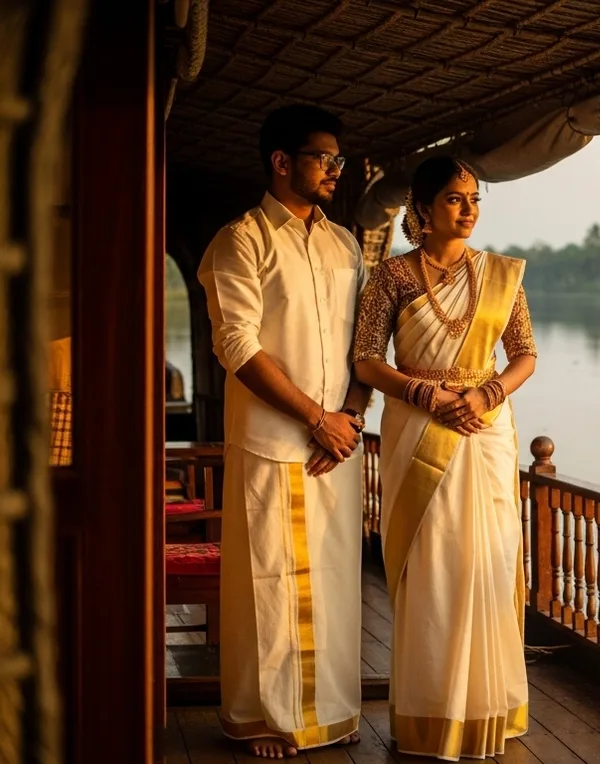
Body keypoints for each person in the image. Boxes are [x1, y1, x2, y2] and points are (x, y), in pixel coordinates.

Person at [198, 104, 369, 758]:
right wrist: (314, 418)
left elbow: (365, 341)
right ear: (281, 162)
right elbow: (236, 345)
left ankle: (330, 709)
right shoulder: (241, 240)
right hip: (275, 440)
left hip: (339, 444)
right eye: (323, 159)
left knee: (334, 580)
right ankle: (268, 719)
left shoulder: (344, 242)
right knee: (270, 583)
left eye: (337, 160)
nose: (334, 170)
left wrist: (349, 418)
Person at [352, 156, 535, 760]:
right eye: (455, 199)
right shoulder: (392, 277)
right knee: (433, 564)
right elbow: (366, 360)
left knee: (489, 556)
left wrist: (486, 393)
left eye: (475, 199)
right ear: (423, 210)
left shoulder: (501, 275)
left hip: (486, 426)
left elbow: (525, 354)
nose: (468, 209)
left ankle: (489, 706)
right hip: (417, 423)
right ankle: (432, 714)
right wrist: (424, 392)